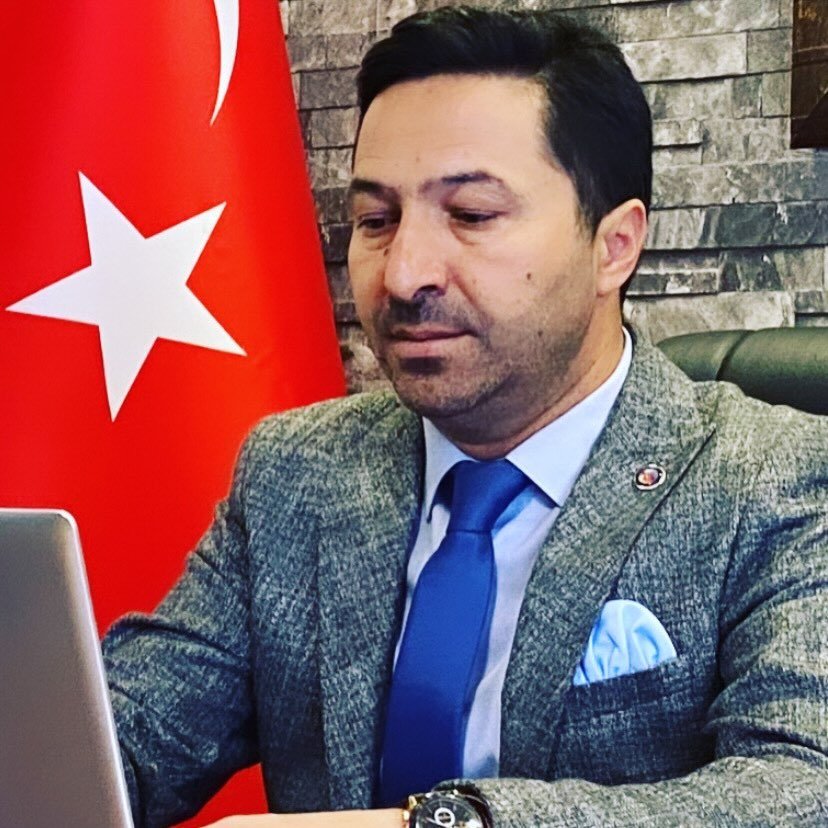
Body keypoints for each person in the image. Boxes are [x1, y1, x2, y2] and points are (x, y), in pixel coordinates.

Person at [103, 7, 828, 827]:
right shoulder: (294, 473)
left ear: (615, 246)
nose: (404, 273)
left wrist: (442, 824)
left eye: (472, 215)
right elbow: (128, 736)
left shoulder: (774, 481)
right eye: (376, 221)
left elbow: (801, 787)